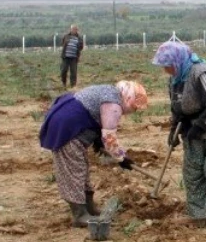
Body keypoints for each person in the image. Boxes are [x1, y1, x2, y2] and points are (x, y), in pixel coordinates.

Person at [151, 41, 206, 226]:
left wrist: (199, 127)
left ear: (177, 61)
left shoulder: (201, 73)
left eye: (167, 65)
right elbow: (176, 107)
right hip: (192, 129)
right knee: (192, 173)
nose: (166, 70)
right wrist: (174, 129)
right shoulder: (175, 79)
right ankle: (201, 214)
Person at [39, 81, 149, 227]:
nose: (133, 110)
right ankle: (80, 215)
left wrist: (98, 141)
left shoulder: (110, 92)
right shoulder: (113, 104)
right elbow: (109, 137)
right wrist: (121, 157)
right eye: (134, 105)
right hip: (68, 128)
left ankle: (89, 208)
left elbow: (96, 117)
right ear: (128, 97)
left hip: (70, 123)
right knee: (74, 171)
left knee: (81, 169)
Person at [60, 25, 85, 89]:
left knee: (73, 72)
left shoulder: (79, 38)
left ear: (77, 30)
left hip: (74, 57)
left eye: (75, 29)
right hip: (65, 57)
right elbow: (63, 43)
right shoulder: (66, 36)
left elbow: (81, 46)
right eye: (73, 29)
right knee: (63, 70)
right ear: (70, 29)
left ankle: (73, 85)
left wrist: (77, 49)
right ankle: (63, 83)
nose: (74, 30)